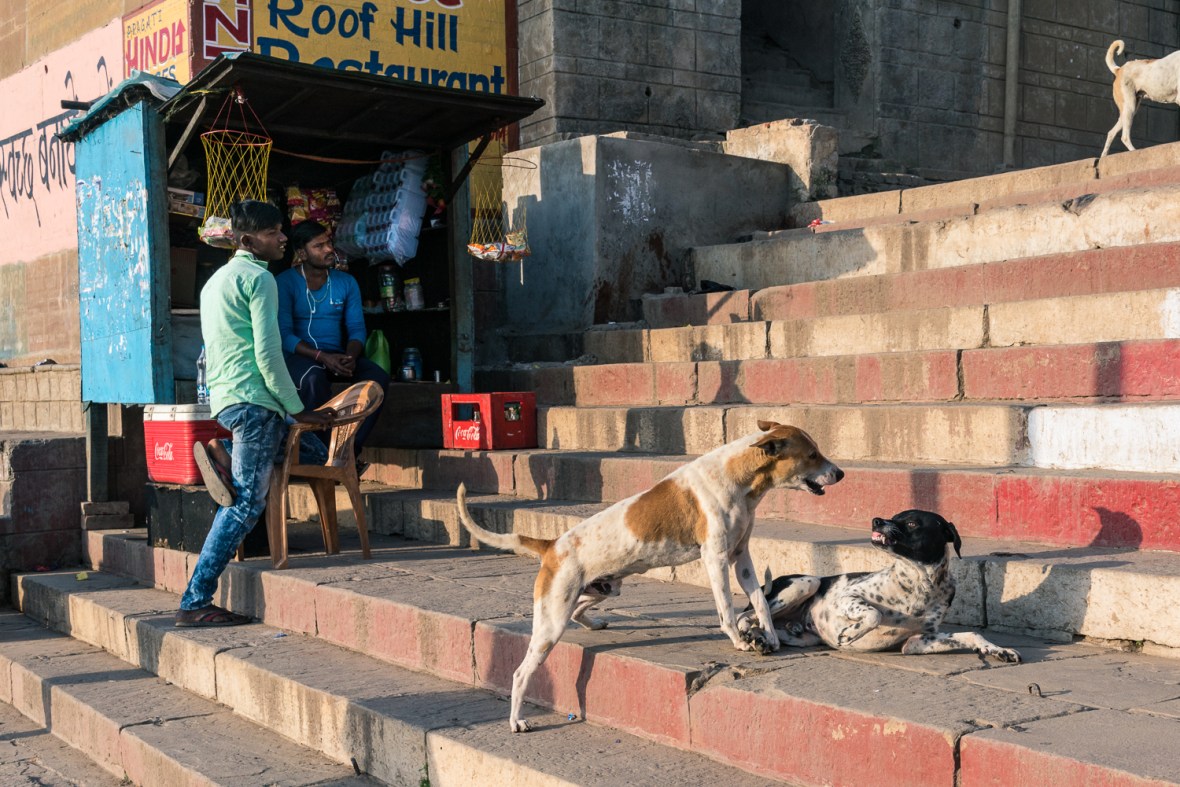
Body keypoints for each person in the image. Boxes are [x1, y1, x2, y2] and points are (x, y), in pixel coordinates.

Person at [177, 200, 336, 628]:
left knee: (318, 451)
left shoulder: (215, 282)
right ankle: (195, 600)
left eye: (282, 231)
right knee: (246, 504)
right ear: (248, 240)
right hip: (256, 404)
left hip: (227, 401)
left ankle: (225, 450)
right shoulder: (259, 279)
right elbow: (268, 354)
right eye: (273, 233)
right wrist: (299, 409)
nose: (283, 238)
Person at [275, 220, 389, 471]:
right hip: (300, 356)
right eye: (319, 245)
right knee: (313, 378)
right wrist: (321, 357)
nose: (329, 249)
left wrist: (350, 356)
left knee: (377, 377)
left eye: (329, 242)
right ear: (302, 253)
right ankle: (322, 457)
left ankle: (347, 452)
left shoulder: (345, 282)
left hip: (337, 355)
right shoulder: (284, 282)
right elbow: (284, 335)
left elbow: (357, 328)